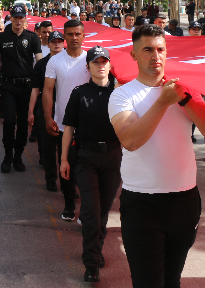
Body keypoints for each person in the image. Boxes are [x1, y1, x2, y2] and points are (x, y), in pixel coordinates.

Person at [108, 24, 205, 288]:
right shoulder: (122, 94)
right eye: (147, 49)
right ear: (134, 54)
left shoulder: (183, 91)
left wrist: (184, 100)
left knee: (172, 280)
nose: (155, 56)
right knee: (147, 282)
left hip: (184, 201)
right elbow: (131, 140)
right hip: (142, 203)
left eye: (160, 49)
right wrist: (163, 101)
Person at [61, 46, 121, 284]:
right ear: (88, 67)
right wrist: (64, 159)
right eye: (96, 62)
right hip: (86, 157)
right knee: (90, 212)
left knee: (103, 211)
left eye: (104, 61)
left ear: (110, 64)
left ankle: (96, 248)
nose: (101, 65)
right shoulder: (79, 93)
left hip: (113, 157)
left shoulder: (120, 92)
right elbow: (68, 128)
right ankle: (92, 263)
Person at [43, 19, 89, 221]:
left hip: (88, 127)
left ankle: (86, 211)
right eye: (70, 34)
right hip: (63, 125)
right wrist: (48, 117)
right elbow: (48, 90)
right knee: (66, 167)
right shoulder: (55, 61)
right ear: (64, 36)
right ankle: (69, 204)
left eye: (78, 34)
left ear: (83, 35)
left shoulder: (92, 59)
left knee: (87, 171)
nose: (74, 38)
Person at [0, 4, 42, 173]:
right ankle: (7, 155)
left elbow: (39, 62)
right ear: (11, 18)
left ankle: (18, 156)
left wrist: (40, 84)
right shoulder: (1, 38)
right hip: (7, 86)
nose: (18, 20)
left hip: (26, 87)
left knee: (22, 123)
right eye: (15, 17)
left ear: (25, 19)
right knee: (9, 122)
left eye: (21, 17)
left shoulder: (33, 38)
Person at [28, 30, 65, 192]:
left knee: (67, 149)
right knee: (48, 149)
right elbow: (35, 89)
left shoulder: (71, 62)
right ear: (48, 44)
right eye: (53, 41)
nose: (57, 44)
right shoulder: (41, 65)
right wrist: (31, 112)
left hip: (65, 109)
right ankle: (51, 179)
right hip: (46, 109)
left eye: (59, 41)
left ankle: (68, 184)